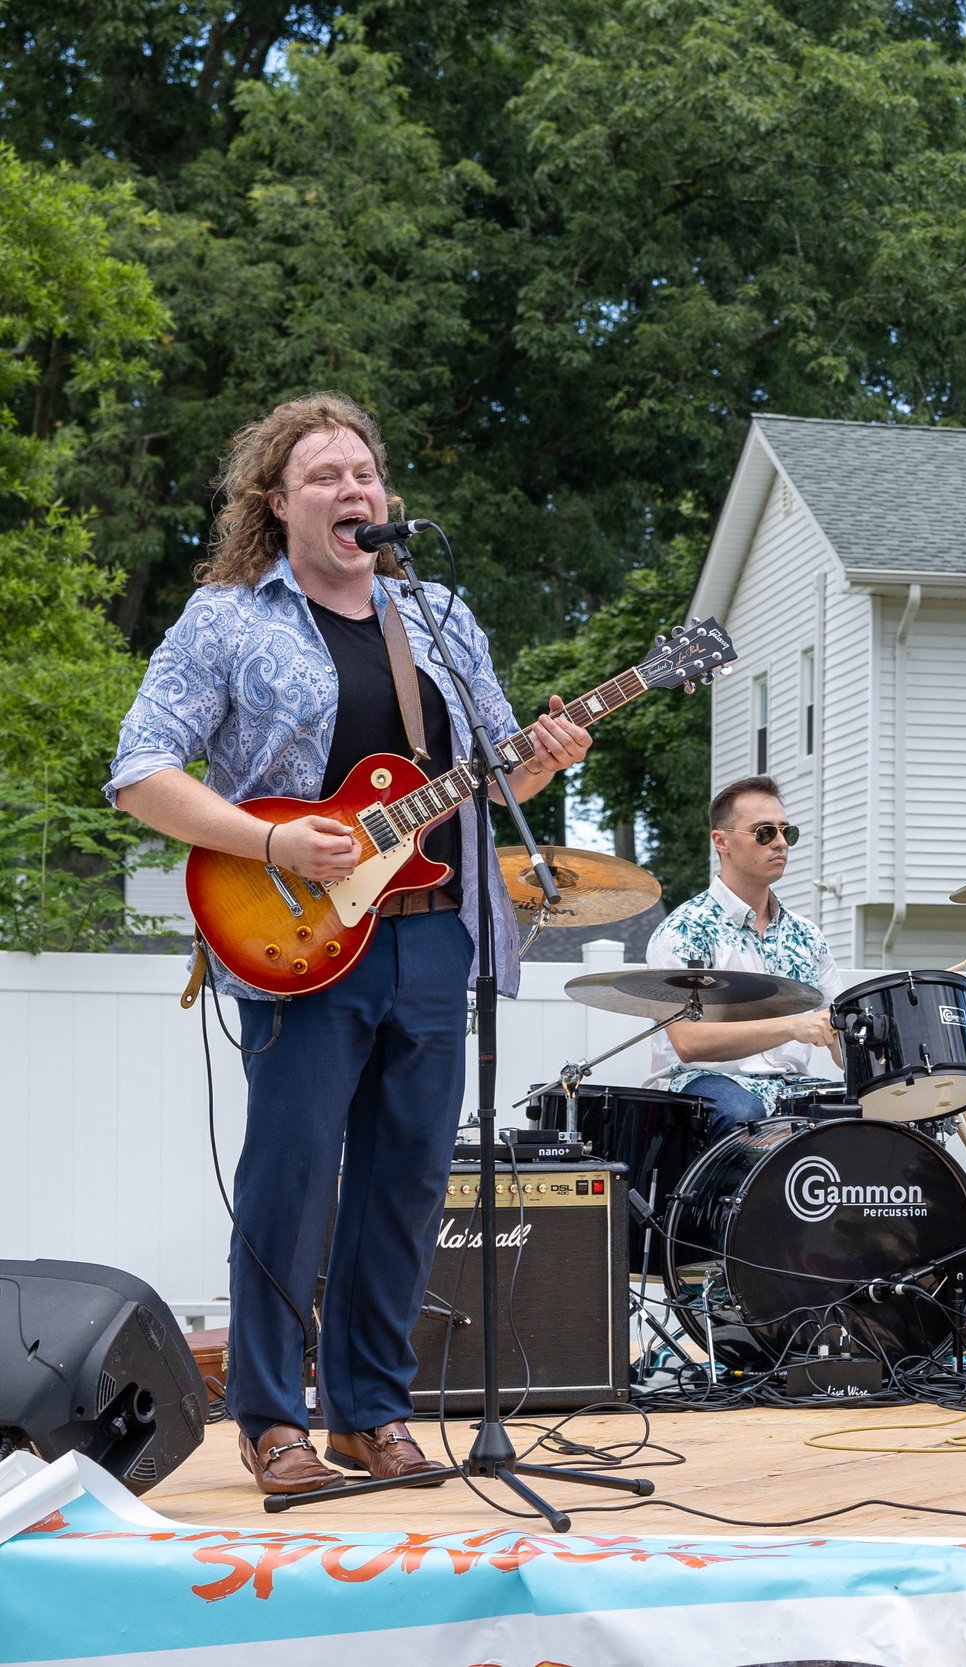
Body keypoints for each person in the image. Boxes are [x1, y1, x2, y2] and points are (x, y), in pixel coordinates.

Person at [108, 393, 593, 1496]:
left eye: (365, 473)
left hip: (435, 937)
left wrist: (547, 757)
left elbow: (491, 781)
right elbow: (142, 770)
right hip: (299, 936)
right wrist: (273, 837)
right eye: (324, 475)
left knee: (408, 1182)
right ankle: (272, 1416)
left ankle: (372, 1410)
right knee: (292, 1180)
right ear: (276, 502)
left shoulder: (439, 616)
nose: (352, 491)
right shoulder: (228, 618)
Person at [644, 777, 843, 1139]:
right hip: (702, 1083)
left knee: (854, 1115)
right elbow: (689, 1042)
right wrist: (793, 1026)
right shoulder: (685, 930)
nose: (781, 843)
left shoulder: (808, 936)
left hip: (791, 1087)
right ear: (721, 841)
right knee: (742, 1113)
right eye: (764, 832)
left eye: (786, 832)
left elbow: (841, 1045)